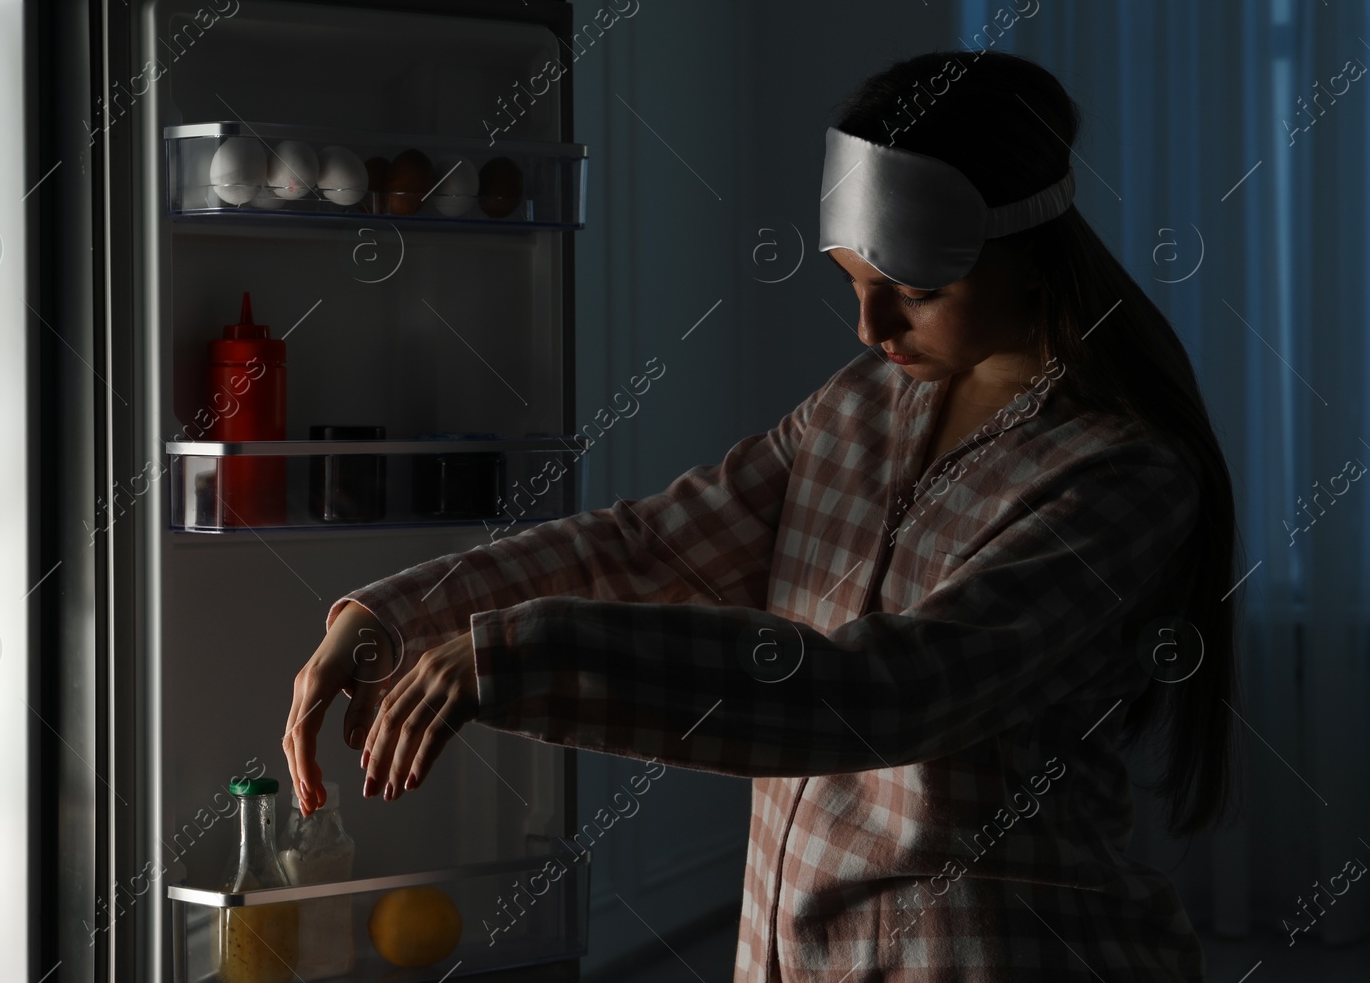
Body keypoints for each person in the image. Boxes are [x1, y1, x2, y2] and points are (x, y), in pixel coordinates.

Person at [281, 50, 1240, 981]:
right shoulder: (859, 404)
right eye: (851, 284)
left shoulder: (1124, 473)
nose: (871, 330)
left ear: (1031, 257)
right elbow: (652, 544)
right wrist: (395, 616)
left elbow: (885, 696)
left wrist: (523, 652)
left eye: (914, 293)